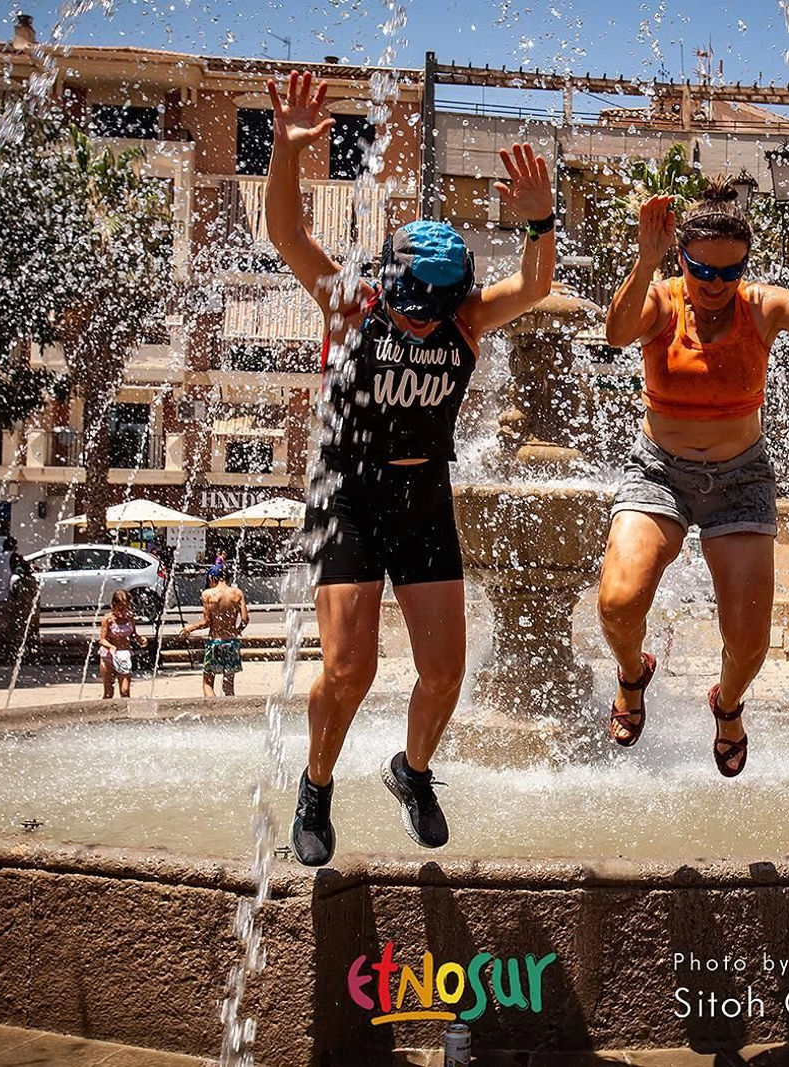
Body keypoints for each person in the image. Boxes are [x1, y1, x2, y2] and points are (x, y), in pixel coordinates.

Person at [265, 71, 557, 860]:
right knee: (349, 667)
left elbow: (536, 283)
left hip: (424, 499)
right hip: (349, 500)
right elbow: (289, 234)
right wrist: (287, 154)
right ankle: (316, 787)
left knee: (444, 677)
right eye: (407, 311)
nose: (419, 328)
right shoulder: (353, 304)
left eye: (431, 314)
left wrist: (540, 221)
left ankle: (411, 770)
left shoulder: (466, 318)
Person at [599, 183, 789, 776]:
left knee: (750, 642)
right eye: (702, 268)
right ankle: (634, 673)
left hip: (741, 478)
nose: (714, 283)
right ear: (682, 257)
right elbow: (616, 332)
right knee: (619, 601)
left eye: (729, 272)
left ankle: (727, 704)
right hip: (659, 469)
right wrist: (645, 259)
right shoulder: (660, 300)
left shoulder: (762, 307)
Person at [180, 562, 249, 697]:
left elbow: (207, 622)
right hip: (231, 643)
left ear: (212, 579)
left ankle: (213, 713)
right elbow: (245, 619)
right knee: (228, 686)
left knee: (207, 683)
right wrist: (237, 630)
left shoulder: (208, 594)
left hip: (215, 643)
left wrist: (191, 627)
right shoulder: (237, 593)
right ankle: (230, 713)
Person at [96, 589, 148, 700]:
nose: (123, 611)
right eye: (120, 608)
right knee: (109, 692)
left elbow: (133, 634)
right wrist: (111, 646)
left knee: (125, 691)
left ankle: (126, 715)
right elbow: (102, 640)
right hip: (108, 657)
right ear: (113, 605)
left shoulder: (129, 618)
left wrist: (140, 639)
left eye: (127, 607)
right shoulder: (108, 620)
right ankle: (106, 715)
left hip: (124, 656)